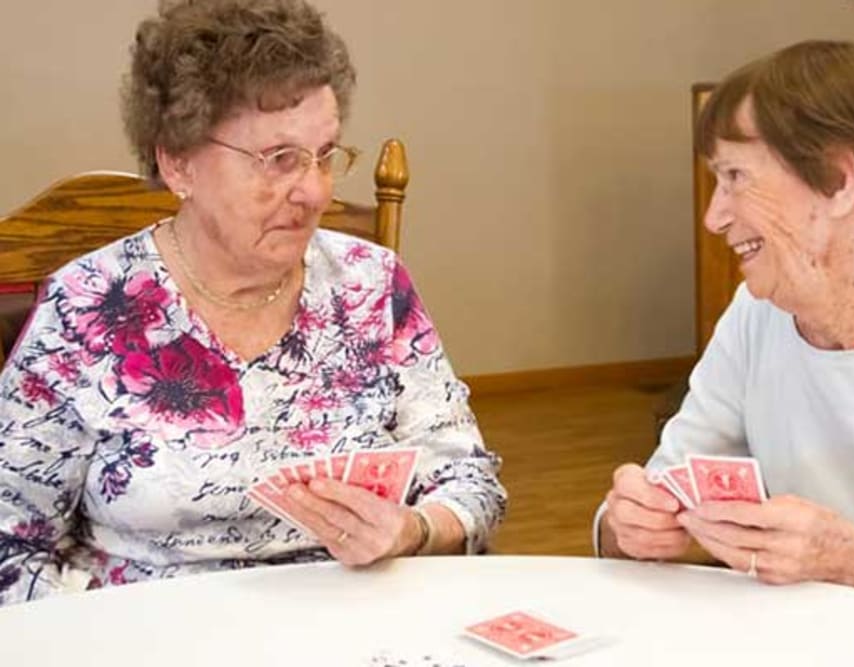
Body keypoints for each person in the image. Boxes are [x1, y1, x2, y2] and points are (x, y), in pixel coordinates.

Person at [0, 0, 506, 606]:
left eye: (326, 155)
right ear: (178, 161)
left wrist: (416, 528)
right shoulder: (87, 307)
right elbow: (10, 547)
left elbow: (470, 481)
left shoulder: (372, 285)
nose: (316, 191)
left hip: (354, 626)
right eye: (279, 160)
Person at [597, 40, 854, 621]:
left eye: (735, 177)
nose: (715, 216)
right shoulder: (757, 316)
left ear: (838, 181)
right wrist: (626, 525)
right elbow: (656, 491)